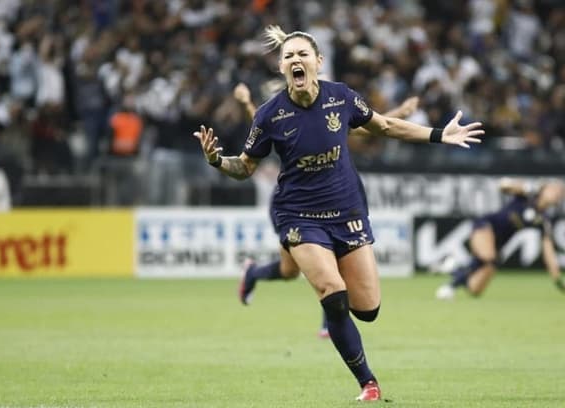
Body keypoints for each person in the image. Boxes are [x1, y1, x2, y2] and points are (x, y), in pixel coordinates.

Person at [193, 25, 483, 402]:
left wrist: (438, 134)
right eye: (288, 56)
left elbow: (384, 126)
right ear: (281, 67)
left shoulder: (341, 98)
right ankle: (369, 383)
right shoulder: (269, 115)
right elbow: (245, 166)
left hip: (347, 210)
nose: (295, 60)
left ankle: (268, 279)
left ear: (318, 62)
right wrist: (217, 160)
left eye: (302, 54)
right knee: (333, 292)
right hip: (298, 215)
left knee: (368, 309)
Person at [233, 82, 420, 339]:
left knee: (300, 269)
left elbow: (373, 126)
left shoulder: (333, 112)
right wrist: (245, 103)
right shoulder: (276, 115)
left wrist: (400, 112)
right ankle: (257, 275)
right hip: (294, 203)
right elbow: (258, 126)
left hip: (331, 203)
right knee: (294, 270)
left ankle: (260, 277)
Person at [435, 178, 565, 300]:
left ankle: (453, 268)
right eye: (554, 189)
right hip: (486, 226)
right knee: (488, 256)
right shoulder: (527, 196)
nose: (557, 193)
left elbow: (549, 252)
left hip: (499, 243)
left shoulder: (544, 221)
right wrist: (527, 187)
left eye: (560, 193)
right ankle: (449, 288)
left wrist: (557, 278)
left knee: (474, 290)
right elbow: (503, 186)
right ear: (544, 188)